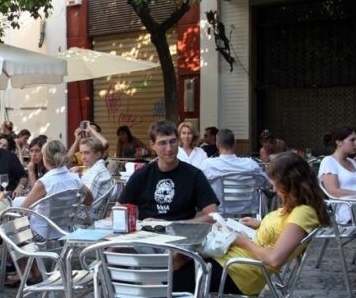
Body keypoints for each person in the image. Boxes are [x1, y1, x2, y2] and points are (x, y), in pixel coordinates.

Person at [174, 152, 329, 296]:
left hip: (239, 272)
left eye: (277, 184)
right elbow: (285, 230)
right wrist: (260, 224)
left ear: (292, 183)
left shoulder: (303, 212)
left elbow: (275, 259)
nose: (274, 189)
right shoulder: (296, 208)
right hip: (235, 263)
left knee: (171, 276)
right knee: (177, 259)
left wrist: (243, 242)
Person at [118, 120, 219, 221]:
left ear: (178, 141)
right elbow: (119, 211)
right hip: (148, 233)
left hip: (183, 234)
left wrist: (173, 226)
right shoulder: (141, 175)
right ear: (152, 145)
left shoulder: (194, 175)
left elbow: (213, 215)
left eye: (172, 141)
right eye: (163, 143)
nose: (169, 148)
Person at [20, 139, 93, 240]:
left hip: (41, 234)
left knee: (9, 228)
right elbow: (89, 200)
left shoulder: (44, 182)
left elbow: (22, 209)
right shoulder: (75, 179)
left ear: (45, 159)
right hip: (64, 231)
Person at [200, 129, 268, 214]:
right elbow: (265, 184)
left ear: (217, 144)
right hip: (249, 214)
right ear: (234, 143)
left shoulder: (208, 165)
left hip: (220, 214)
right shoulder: (250, 164)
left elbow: (198, 187)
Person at [319, 126, 356, 224]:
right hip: (349, 209)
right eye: (352, 140)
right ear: (339, 142)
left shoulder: (352, 162)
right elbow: (333, 191)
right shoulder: (329, 161)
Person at [75, 137, 113, 219]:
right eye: (81, 153)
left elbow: (85, 200)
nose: (82, 157)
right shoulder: (98, 168)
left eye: (86, 153)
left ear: (98, 155)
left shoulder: (95, 172)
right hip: (90, 215)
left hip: (84, 218)